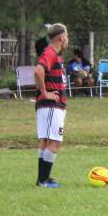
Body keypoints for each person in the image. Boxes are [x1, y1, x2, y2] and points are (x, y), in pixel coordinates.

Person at [33, 23, 69, 188]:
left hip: (53, 106)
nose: (67, 39)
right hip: (51, 105)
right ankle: (43, 181)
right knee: (54, 142)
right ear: (61, 38)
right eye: (67, 36)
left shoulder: (56, 54)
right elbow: (38, 71)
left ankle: (43, 179)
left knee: (47, 140)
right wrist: (46, 92)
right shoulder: (50, 52)